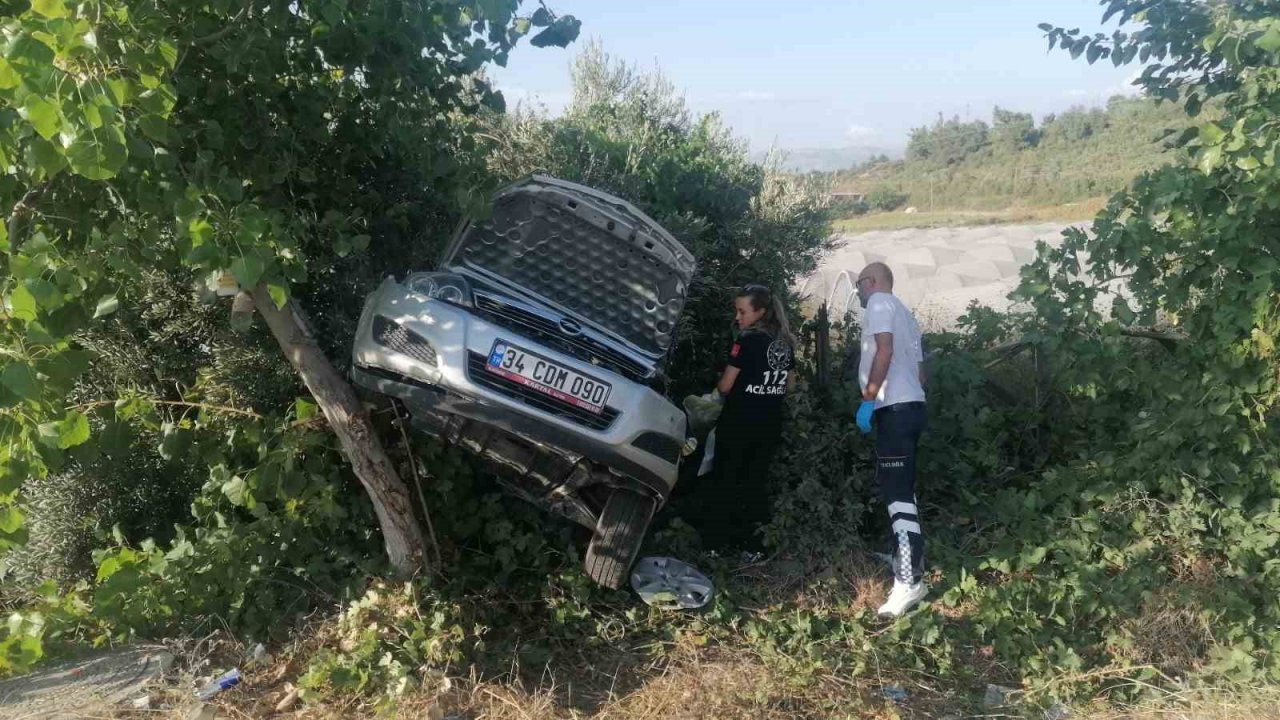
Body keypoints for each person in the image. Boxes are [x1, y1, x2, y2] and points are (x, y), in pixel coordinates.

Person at [695, 284, 797, 552]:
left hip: (739, 422)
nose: (737, 317)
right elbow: (790, 386)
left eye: (742, 311)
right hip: (769, 425)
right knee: (754, 484)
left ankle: (715, 546)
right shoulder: (784, 344)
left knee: (725, 481)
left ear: (760, 312)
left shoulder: (747, 341)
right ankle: (753, 546)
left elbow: (726, 386)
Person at [854, 262, 929, 618]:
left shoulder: (880, 303)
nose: (858, 292)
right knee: (904, 490)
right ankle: (906, 554)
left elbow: (884, 350)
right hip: (911, 407)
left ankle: (909, 581)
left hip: (894, 409)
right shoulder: (905, 312)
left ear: (872, 282)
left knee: (897, 496)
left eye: (859, 284)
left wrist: (869, 398)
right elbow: (920, 370)